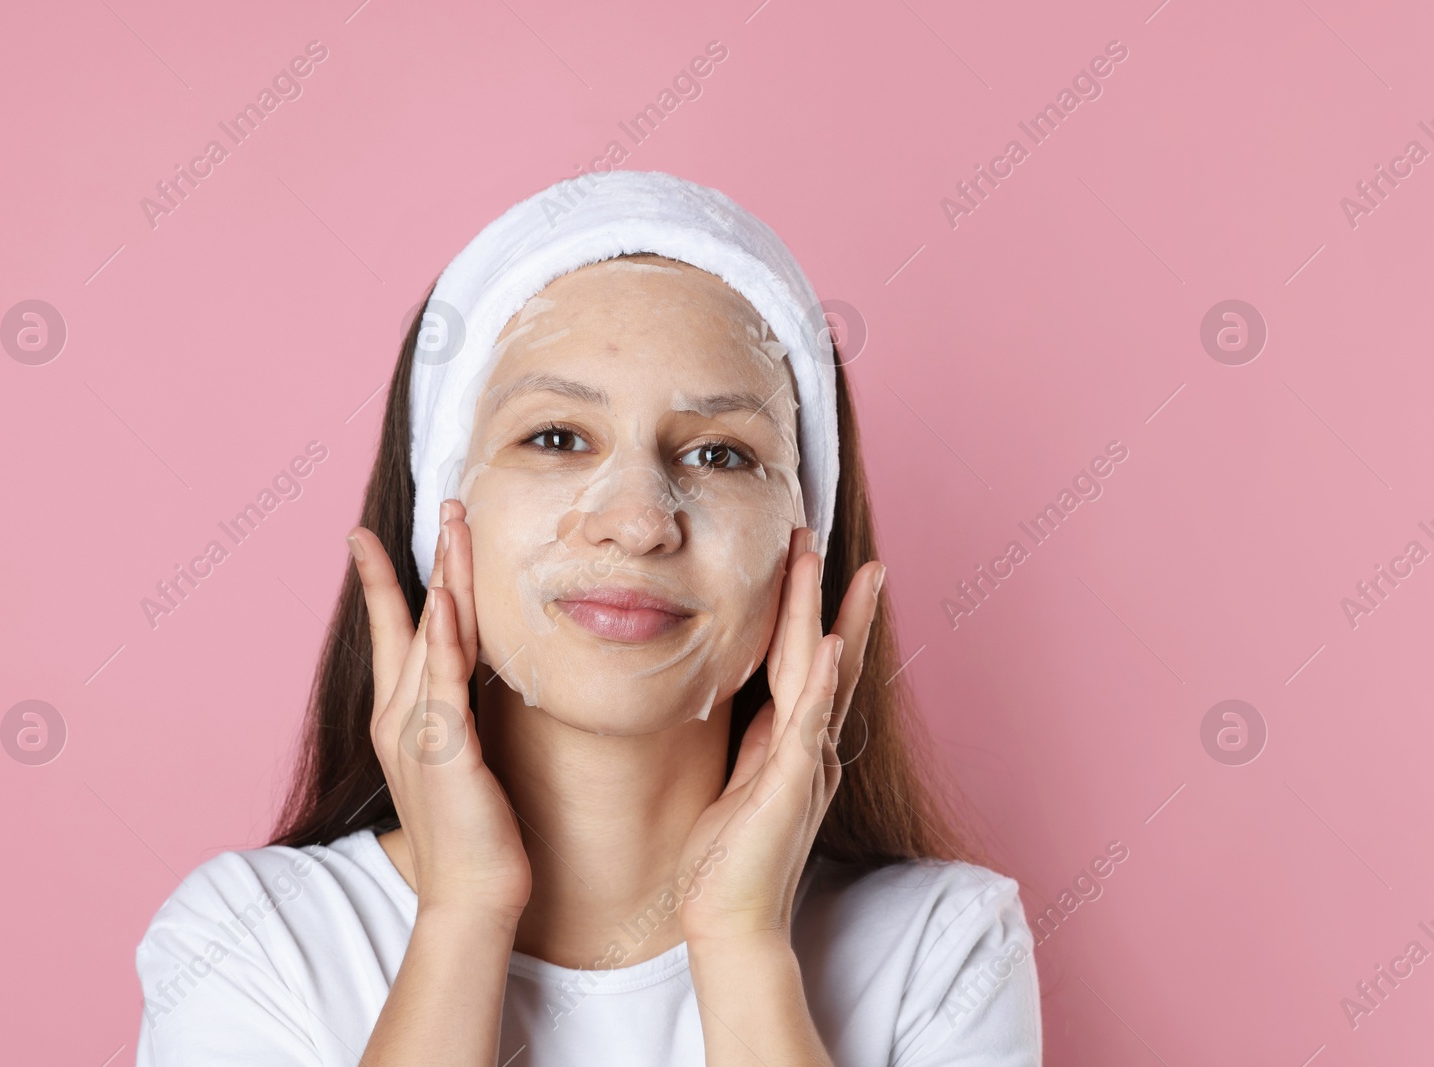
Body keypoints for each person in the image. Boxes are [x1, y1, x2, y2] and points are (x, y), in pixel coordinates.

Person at [133, 170, 1041, 1066]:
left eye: (722, 452)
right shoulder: (253, 941)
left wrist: (740, 938)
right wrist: (463, 911)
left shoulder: (944, 948)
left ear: (806, 545)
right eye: (558, 438)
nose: (640, 520)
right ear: (440, 514)